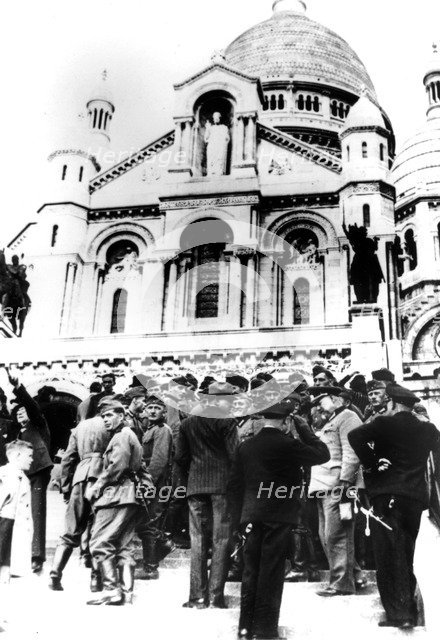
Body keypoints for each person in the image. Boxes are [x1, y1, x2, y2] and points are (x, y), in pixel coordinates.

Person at [228, 401, 330, 640]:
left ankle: (244, 629)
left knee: (250, 571)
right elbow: (322, 454)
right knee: (272, 573)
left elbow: (234, 485)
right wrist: (305, 429)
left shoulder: (246, 447)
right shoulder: (290, 444)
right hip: (279, 517)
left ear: (264, 420)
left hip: (251, 516)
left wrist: (238, 521)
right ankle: (265, 630)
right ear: (285, 422)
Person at [348, 383, 440, 629]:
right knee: (406, 552)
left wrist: (373, 462)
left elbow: (354, 436)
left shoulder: (383, 423)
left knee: (388, 553)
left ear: (393, 402)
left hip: (386, 495)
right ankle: (407, 606)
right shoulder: (429, 429)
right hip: (414, 498)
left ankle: (399, 614)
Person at [175, 381, 239, 609]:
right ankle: (215, 596)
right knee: (221, 540)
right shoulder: (227, 421)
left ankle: (197, 597)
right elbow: (235, 456)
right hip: (222, 487)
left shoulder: (187, 423)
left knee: (198, 540)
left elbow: (181, 457)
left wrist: (192, 475)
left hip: (196, 486)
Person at [87, 400, 151, 606]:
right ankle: (127, 593)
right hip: (129, 496)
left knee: (100, 541)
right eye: (103, 416)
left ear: (122, 416)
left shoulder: (121, 436)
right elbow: (140, 468)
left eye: (110, 415)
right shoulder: (130, 435)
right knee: (124, 545)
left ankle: (111, 590)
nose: (105, 420)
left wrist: (97, 486)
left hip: (116, 495)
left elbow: (118, 465)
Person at [308, 386, 364, 596]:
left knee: (336, 534)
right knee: (327, 534)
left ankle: (341, 583)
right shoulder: (330, 420)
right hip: (323, 486)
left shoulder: (347, 417)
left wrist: (346, 482)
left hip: (338, 485)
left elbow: (352, 453)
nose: (318, 406)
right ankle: (355, 575)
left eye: (321, 401)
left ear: (333, 399)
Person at [48, 415, 112, 592]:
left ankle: (55, 574)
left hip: (80, 478)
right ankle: (96, 579)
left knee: (71, 530)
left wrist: (66, 486)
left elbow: (68, 458)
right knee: (100, 531)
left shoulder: (81, 427)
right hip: (102, 478)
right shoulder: (112, 423)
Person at [7, 372, 52, 574]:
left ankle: (37, 556)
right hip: (22, 475)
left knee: (37, 513)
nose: (20, 414)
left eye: (23, 412)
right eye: (17, 412)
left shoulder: (38, 423)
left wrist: (18, 387)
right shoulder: (19, 433)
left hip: (38, 472)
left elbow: (31, 406)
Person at [137, 395, 173, 580]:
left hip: (156, 482)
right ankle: (162, 547)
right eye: (149, 407)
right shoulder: (150, 429)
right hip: (153, 480)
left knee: (149, 522)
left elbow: (159, 461)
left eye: (157, 408)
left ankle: (151, 567)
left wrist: (147, 484)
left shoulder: (162, 430)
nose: (152, 411)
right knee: (150, 521)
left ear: (164, 412)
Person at [0, 440, 33, 631]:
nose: (32, 459)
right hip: (4, 525)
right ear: (16, 456)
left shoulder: (22, 477)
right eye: (28, 456)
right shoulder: (5, 475)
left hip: (13, 529)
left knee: (5, 573)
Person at [204, 111, 230, 177]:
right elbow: (206, 139)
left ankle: (220, 172)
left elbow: (227, 138)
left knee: (220, 159)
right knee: (212, 160)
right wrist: (207, 129)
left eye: (217, 117)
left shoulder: (224, 127)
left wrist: (223, 142)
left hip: (220, 146)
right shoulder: (211, 128)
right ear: (213, 119)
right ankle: (211, 172)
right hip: (212, 146)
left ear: (220, 118)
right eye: (214, 118)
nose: (216, 119)